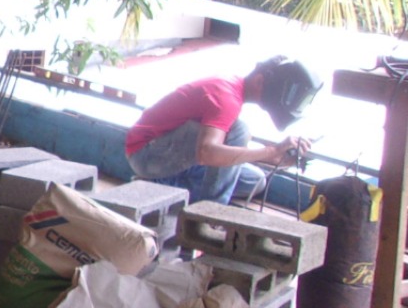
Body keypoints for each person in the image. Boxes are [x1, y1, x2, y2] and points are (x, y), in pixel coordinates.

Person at [125, 56, 321, 204]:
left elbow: (215, 154)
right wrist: (271, 150)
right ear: (260, 81)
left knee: (255, 181)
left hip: (171, 156)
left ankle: (160, 185)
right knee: (239, 130)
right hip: (146, 154)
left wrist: (277, 158)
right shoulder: (226, 98)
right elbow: (207, 153)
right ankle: (209, 213)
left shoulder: (233, 90)